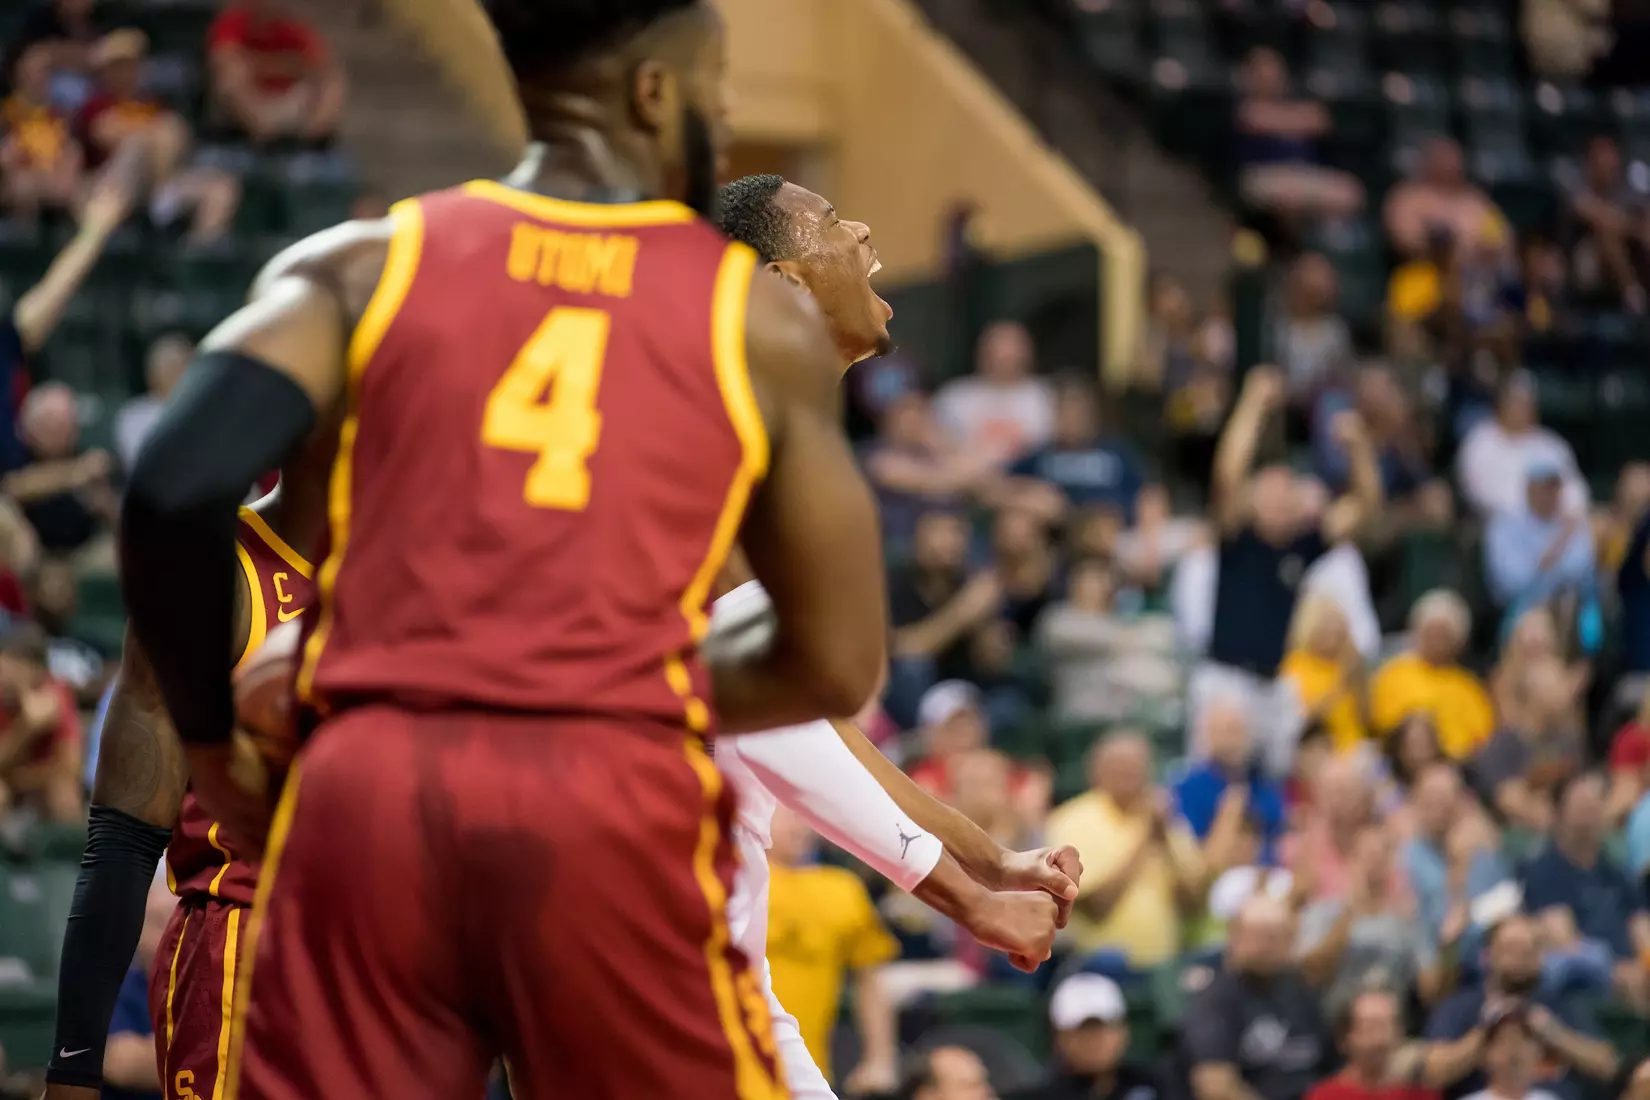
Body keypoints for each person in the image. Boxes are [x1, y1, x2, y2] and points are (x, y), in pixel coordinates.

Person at [114, 6, 1046, 1098]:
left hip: (377, 809)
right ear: (656, 95)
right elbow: (834, 661)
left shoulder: (370, 259)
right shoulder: (736, 322)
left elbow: (173, 491)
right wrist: (597, 685)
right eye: (720, 97)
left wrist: (220, 746)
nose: (722, 119)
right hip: (587, 830)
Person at [42, 492, 321, 1100]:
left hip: (405, 956)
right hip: (249, 959)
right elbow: (124, 836)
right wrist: (73, 1072)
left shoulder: (438, 575)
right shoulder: (211, 569)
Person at [1012, 973, 1158, 1100]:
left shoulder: (1158, 1087)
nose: (1094, 1040)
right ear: (1058, 1037)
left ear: (1123, 1030)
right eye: (1081, 1031)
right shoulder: (1036, 1095)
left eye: (1102, 1028)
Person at [103, 877, 178, 1100]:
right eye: (157, 920)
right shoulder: (113, 988)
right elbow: (121, 1064)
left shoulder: (210, 987)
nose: (170, 931)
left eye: (179, 919)